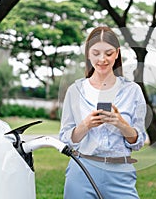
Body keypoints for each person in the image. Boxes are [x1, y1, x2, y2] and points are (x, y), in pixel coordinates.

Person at [59, 26, 147, 199]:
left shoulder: (132, 91)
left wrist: (120, 123)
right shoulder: (75, 91)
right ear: (88, 53)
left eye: (108, 53)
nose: (102, 59)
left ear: (117, 53)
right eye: (96, 53)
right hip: (82, 170)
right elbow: (66, 139)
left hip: (120, 173)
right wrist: (86, 125)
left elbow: (137, 142)